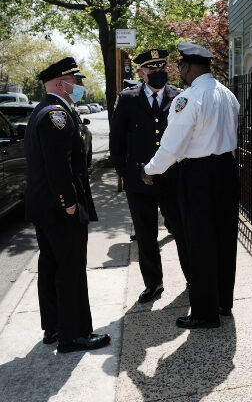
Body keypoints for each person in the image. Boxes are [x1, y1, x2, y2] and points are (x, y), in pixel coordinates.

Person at [142, 42, 240, 329]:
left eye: (181, 66)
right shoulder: (227, 94)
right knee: (224, 240)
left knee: (200, 243)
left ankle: (204, 313)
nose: (180, 72)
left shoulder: (189, 98)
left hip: (199, 174)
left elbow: (172, 146)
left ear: (187, 67)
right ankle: (223, 302)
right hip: (226, 170)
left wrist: (149, 170)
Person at [24, 57, 110, 353]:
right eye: (76, 82)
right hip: (59, 207)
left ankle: (54, 326)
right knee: (70, 268)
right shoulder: (55, 115)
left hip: (43, 205)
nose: (80, 87)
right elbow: (58, 167)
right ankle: (74, 335)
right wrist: (69, 203)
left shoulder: (43, 110)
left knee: (50, 264)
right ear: (61, 83)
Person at [109, 49, 191, 303]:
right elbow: (117, 141)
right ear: (142, 72)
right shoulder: (127, 99)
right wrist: (129, 175)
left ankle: (192, 277)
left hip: (171, 179)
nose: (159, 73)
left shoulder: (179, 96)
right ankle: (153, 283)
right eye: (153, 70)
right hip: (139, 182)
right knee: (146, 236)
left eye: (162, 68)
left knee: (181, 231)